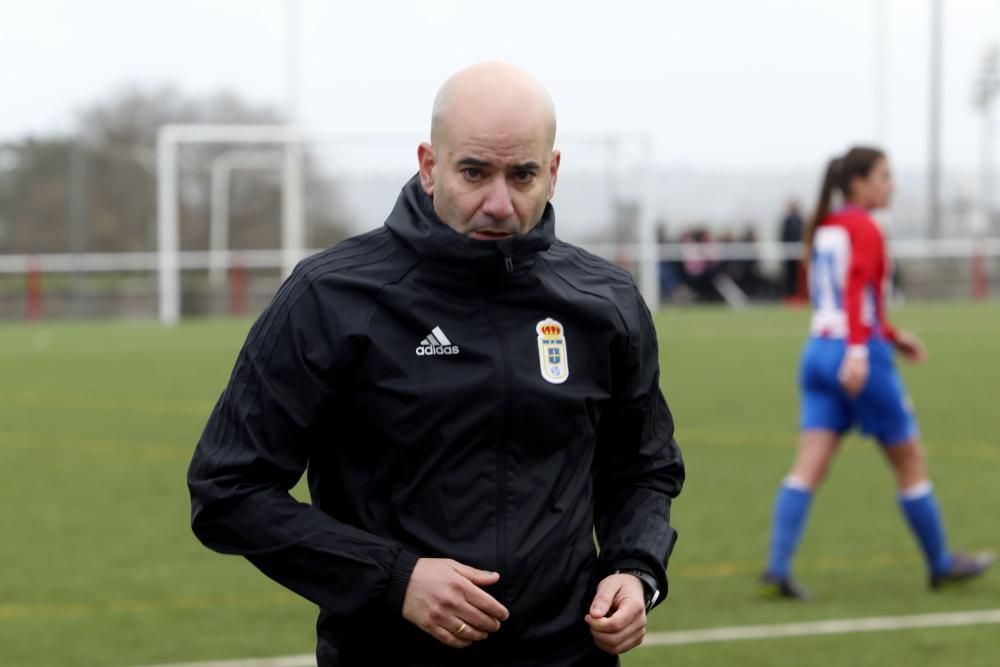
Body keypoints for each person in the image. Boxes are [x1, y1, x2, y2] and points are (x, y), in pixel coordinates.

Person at [187, 62, 685, 666]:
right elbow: (228, 491)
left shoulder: (605, 301)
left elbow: (643, 467)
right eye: (474, 172)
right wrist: (396, 578)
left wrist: (635, 569)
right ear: (429, 166)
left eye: (522, 175)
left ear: (553, 173)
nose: (499, 203)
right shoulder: (331, 297)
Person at [760, 146, 994, 600]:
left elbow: (842, 296)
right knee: (910, 461)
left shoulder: (825, 226)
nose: (892, 185)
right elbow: (856, 286)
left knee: (809, 464)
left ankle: (778, 566)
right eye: (885, 176)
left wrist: (891, 332)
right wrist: (861, 350)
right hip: (855, 353)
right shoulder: (864, 226)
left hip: (818, 351)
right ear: (858, 183)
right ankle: (941, 562)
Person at [779, 200, 804, 298]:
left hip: (798, 252)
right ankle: (789, 295)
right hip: (788, 252)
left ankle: (797, 295)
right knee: (789, 274)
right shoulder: (787, 220)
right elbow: (783, 236)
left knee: (797, 275)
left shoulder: (799, 219)